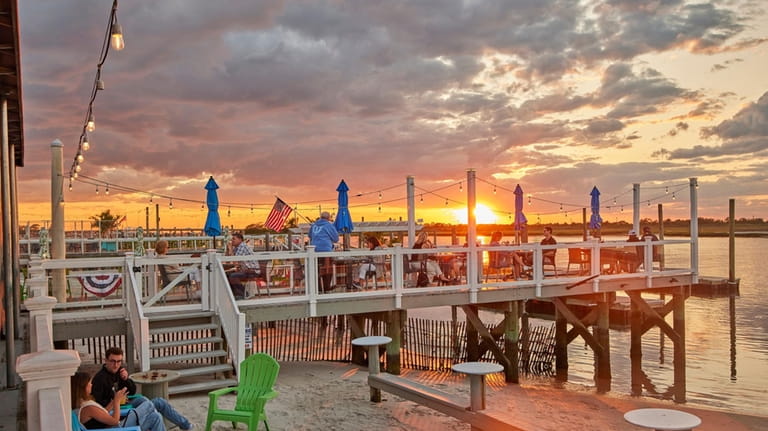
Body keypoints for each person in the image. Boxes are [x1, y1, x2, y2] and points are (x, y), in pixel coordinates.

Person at [90, 347, 195, 430]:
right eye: (113, 361)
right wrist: (116, 401)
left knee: (157, 401)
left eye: (119, 361)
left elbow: (132, 390)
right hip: (117, 412)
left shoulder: (119, 371)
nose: (116, 365)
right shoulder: (100, 379)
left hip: (126, 403)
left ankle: (186, 425)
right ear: (106, 360)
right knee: (154, 411)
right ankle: (152, 419)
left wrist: (126, 379)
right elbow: (100, 407)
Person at [71, 370, 167, 431]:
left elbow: (103, 413)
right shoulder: (87, 408)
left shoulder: (83, 405)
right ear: (83, 387)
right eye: (89, 383)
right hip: (116, 428)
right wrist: (117, 402)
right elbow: (114, 421)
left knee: (155, 417)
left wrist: (114, 402)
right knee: (149, 405)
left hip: (113, 427)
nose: (92, 385)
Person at [309, 212, 339, 293]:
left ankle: (318, 287)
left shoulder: (314, 225)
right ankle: (326, 287)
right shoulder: (329, 225)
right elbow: (336, 239)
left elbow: (310, 236)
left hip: (314, 251)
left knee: (317, 269)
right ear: (328, 218)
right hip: (326, 250)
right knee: (328, 268)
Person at [225, 232, 260, 299]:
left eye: (234, 239)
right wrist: (228, 250)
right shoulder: (237, 248)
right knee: (226, 275)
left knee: (233, 276)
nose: (232, 241)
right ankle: (234, 294)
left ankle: (243, 293)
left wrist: (231, 250)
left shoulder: (242, 246)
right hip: (245, 269)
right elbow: (228, 261)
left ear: (240, 240)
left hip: (252, 270)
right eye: (232, 239)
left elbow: (235, 262)